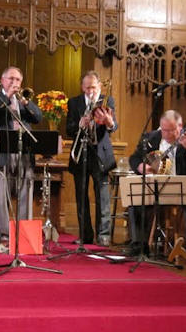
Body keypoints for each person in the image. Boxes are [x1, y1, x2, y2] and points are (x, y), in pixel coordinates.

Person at [128, 109, 186, 252]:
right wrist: (141, 166)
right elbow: (134, 158)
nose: (166, 135)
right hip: (156, 186)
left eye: (171, 130)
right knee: (135, 195)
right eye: (163, 130)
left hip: (184, 187)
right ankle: (139, 245)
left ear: (180, 125)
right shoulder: (150, 137)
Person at [0, 66, 43, 242]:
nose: (14, 83)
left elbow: (38, 117)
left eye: (17, 80)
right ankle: (2, 235)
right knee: (0, 196)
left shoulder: (23, 101)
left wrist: (25, 102)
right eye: (11, 79)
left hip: (24, 153)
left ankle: (24, 235)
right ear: (2, 80)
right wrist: (7, 96)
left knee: (26, 193)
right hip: (2, 153)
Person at [67, 70, 118, 246]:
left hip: (100, 154)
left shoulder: (108, 100)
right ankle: (85, 234)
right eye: (87, 87)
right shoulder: (74, 103)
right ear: (82, 87)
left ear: (99, 87)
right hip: (81, 153)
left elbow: (114, 127)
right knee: (81, 196)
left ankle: (103, 235)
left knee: (103, 196)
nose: (90, 91)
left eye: (93, 87)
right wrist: (79, 124)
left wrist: (108, 121)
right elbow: (68, 128)